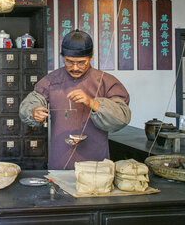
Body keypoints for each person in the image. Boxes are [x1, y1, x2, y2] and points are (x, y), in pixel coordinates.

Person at [19, 29, 131, 169]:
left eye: (81, 62)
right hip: (60, 158)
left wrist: (93, 103)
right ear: (62, 57)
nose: (75, 68)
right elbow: (30, 103)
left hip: (96, 163)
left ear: (91, 57)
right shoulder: (52, 80)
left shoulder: (106, 81)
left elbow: (123, 117)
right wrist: (33, 111)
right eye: (69, 62)